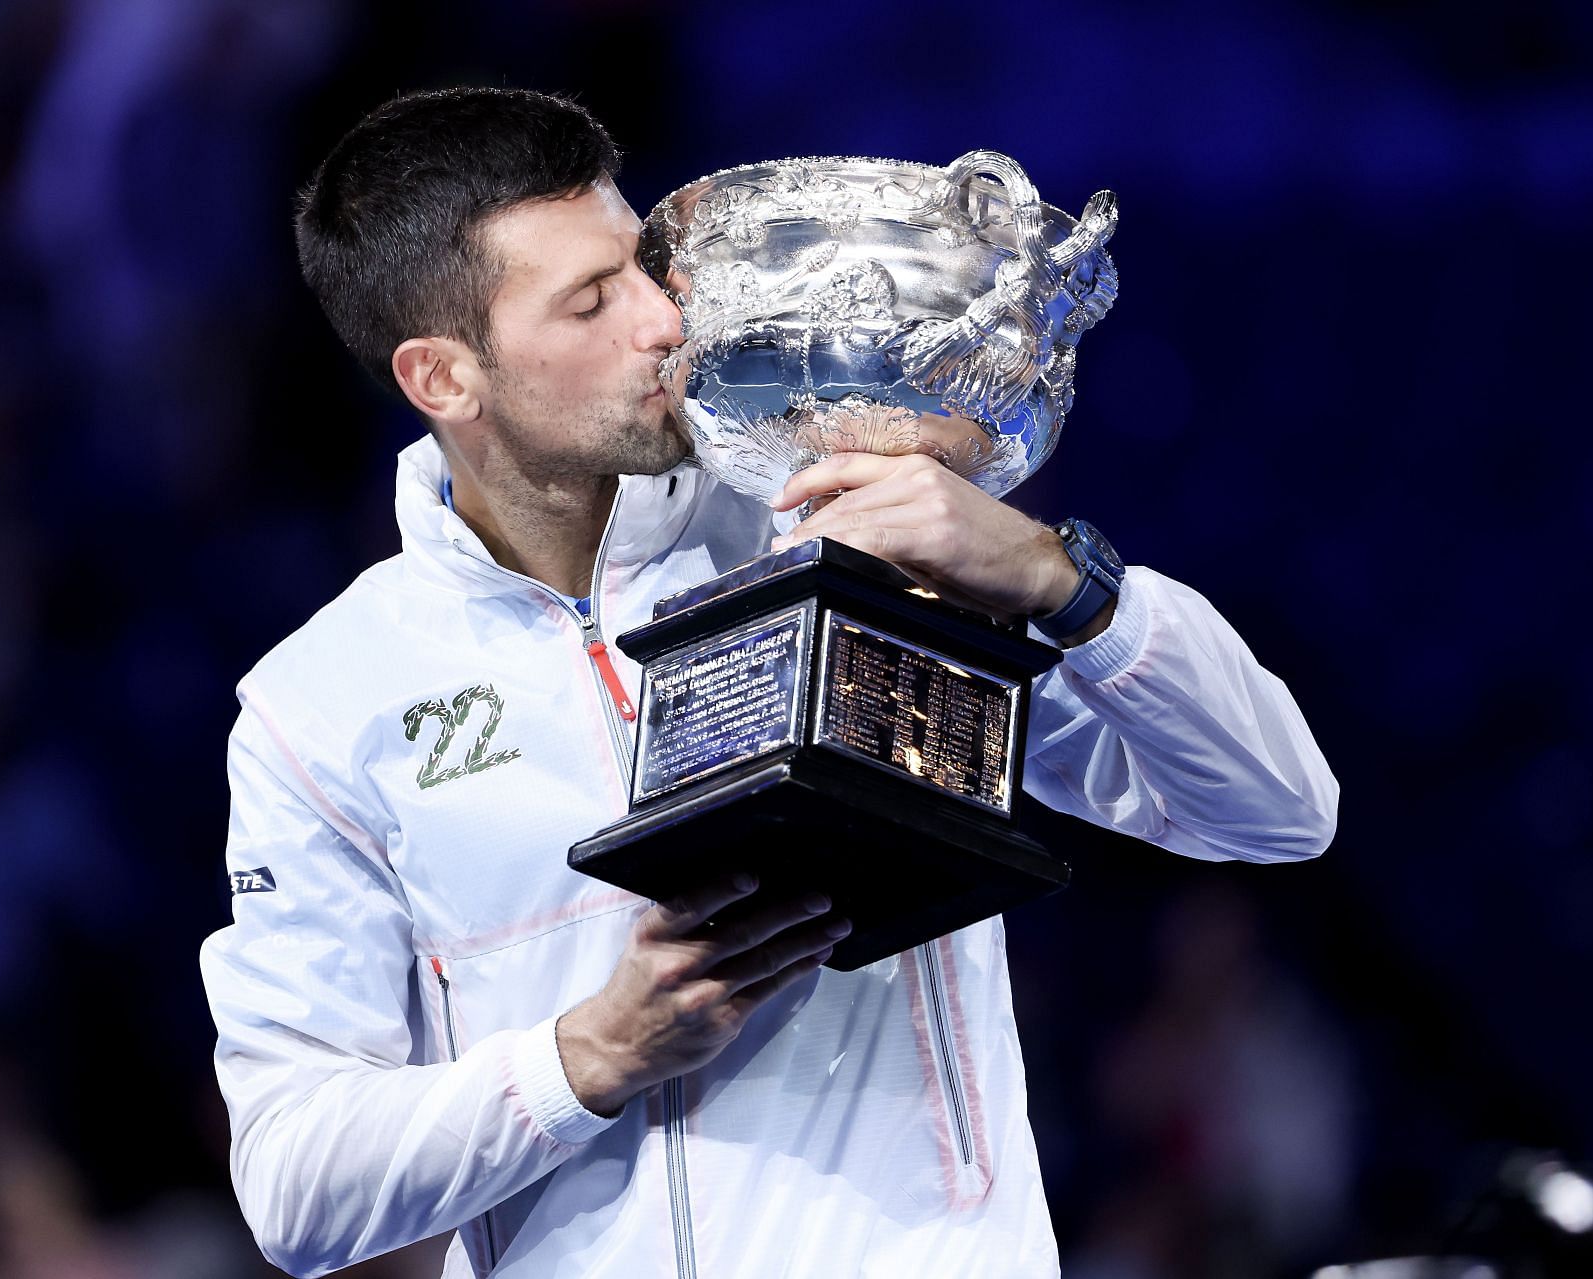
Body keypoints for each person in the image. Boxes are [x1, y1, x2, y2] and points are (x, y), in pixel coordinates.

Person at [199, 86, 1338, 1278]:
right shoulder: (323, 702)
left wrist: (1055, 576)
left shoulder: (843, 525)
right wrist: (591, 1056)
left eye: (644, 267)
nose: (662, 322)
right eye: (591, 301)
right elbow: (296, 1187)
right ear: (443, 379)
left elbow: (1277, 811)